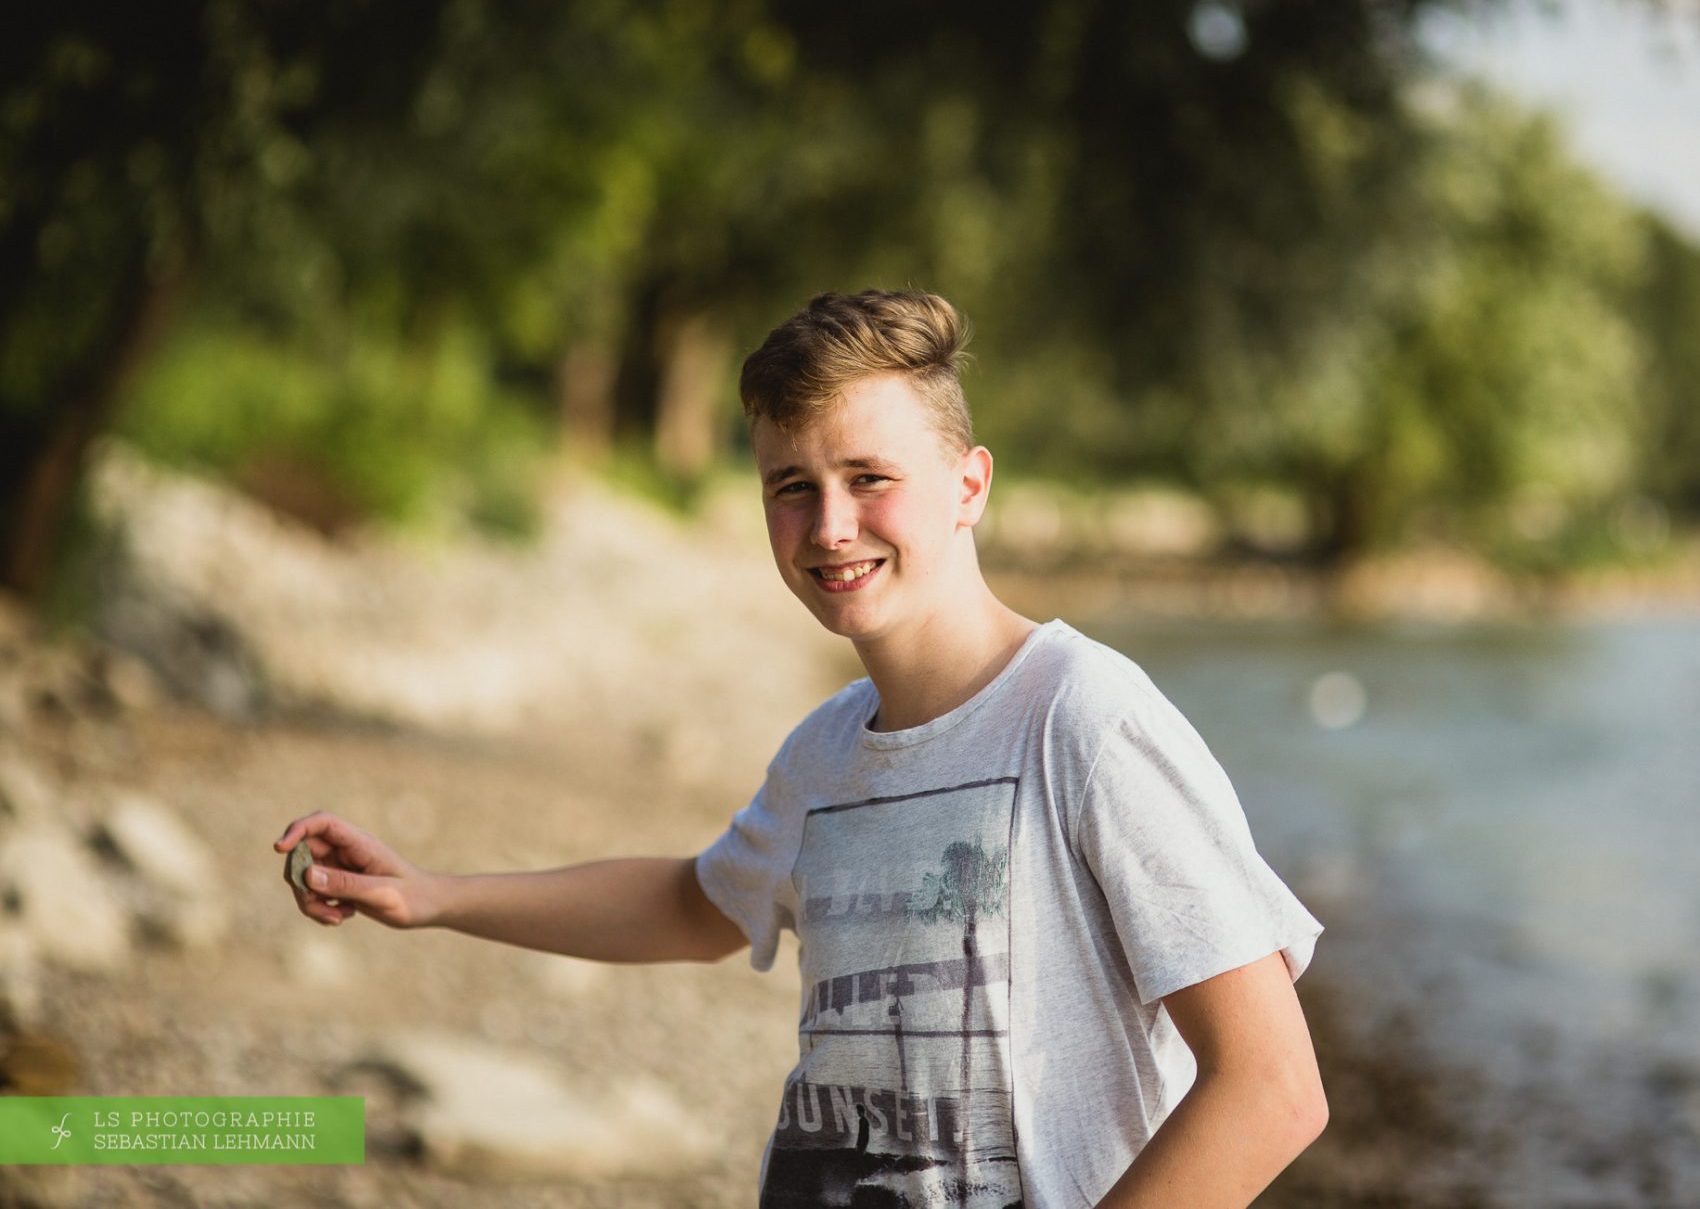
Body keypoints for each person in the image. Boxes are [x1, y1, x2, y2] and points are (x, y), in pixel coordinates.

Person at [275, 288, 1327, 1208]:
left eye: (870, 477)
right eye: (791, 486)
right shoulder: (825, 751)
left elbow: (1271, 1089)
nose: (829, 525)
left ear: (969, 486)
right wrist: (433, 896)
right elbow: (693, 906)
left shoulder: (1084, 719)